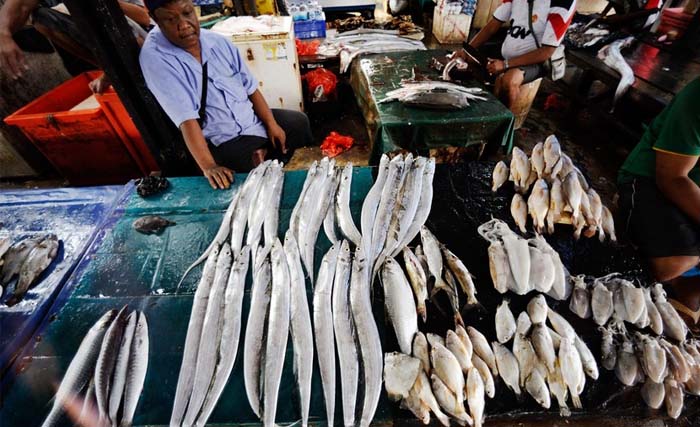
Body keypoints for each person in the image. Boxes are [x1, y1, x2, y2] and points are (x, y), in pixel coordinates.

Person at [139, 0, 313, 190]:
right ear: (155, 18)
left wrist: (271, 124)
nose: (184, 25)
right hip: (220, 139)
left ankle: (281, 168)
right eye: (170, 19)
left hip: (250, 122)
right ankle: (270, 169)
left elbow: (251, 88)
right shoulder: (156, 59)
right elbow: (187, 120)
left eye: (187, 13)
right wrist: (209, 166)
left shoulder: (217, 42)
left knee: (298, 123)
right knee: (246, 177)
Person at [618, 77, 700, 331]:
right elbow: (672, 178)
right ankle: (677, 277)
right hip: (652, 179)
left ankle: (689, 284)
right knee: (675, 263)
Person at [0, 0, 151, 92]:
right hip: (108, 51)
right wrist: (3, 33)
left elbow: (144, 17)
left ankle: (124, 64)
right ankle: (111, 70)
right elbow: (20, 5)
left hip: (142, 37)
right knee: (41, 18)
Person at [454, 0, 576, 109]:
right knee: (469, 58)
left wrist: (505, 64)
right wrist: (466, 51)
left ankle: (503, 120)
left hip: (536, 59)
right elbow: (492, 26)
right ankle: (480, 105)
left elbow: (547, 51)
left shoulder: (563, 3)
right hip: (508, 51)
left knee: (510, 80)